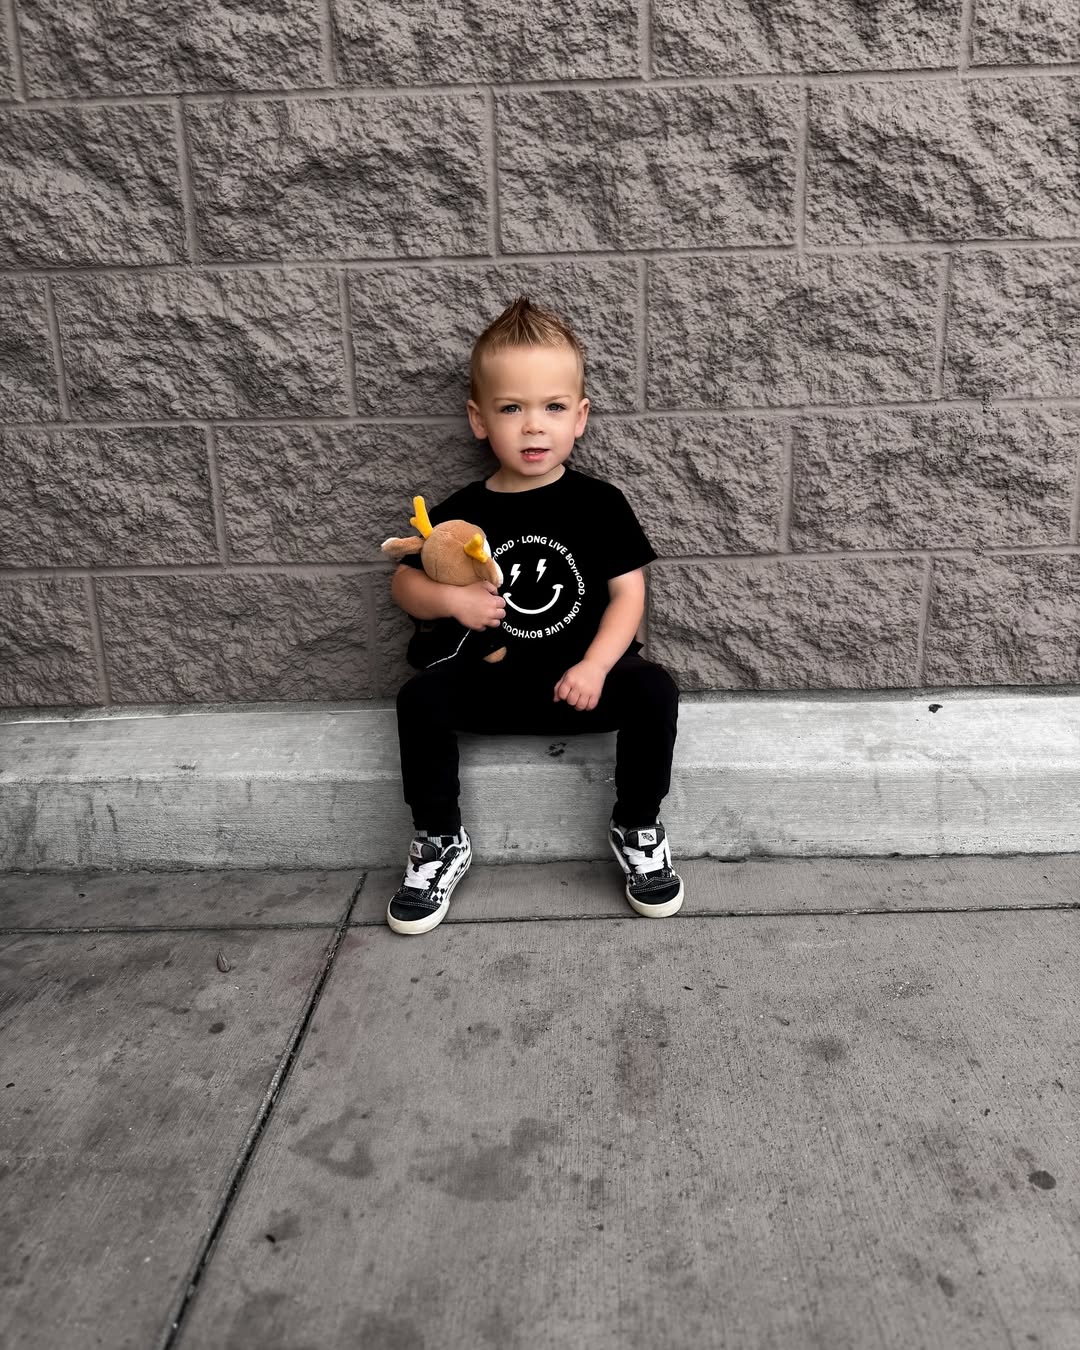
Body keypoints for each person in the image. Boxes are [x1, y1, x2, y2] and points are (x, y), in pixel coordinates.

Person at [386, 295, 681, 935]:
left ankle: (638, 824)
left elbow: (629, 595)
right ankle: (439, 839)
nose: (532, 427)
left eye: (552, 407)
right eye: (511, 408)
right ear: (479, 419)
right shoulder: (463, 512)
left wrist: (597, 666)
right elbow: (405, 582)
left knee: (655, 690)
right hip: (491, 683)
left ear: (580, 417)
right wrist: (451, 600)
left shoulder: (599, 504)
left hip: (580, 684)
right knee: (418, 699)